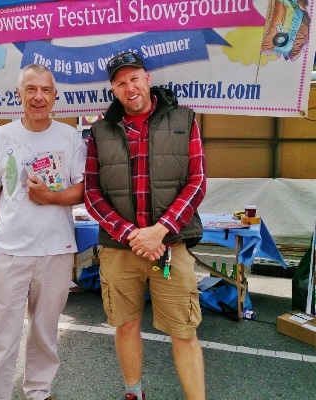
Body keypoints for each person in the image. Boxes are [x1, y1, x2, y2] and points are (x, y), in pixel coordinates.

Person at [84, 51, 207, 400]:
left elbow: (197, 182)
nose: (129, 87)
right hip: (120, 250)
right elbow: (92, 191)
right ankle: (134, 394)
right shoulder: (100, 130)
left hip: (170, 246)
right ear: (114, 90)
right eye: (121, 83)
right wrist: (131, 234)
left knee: (183, 329)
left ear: (147, 79)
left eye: (134, 78)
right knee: (125, 324)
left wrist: (161, 229)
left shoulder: (184, 119)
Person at [0, 63, 87, 400]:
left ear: (55, 97)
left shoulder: (70, 137)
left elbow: (83, 191)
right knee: (2, 336)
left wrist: (49, 197)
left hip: (56, 251)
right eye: (31, 89)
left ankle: (38, 390)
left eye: (46, 90)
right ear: (19, 95)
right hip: (9, 253)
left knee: (45, 331)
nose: (39, 96)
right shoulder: (1, 137)